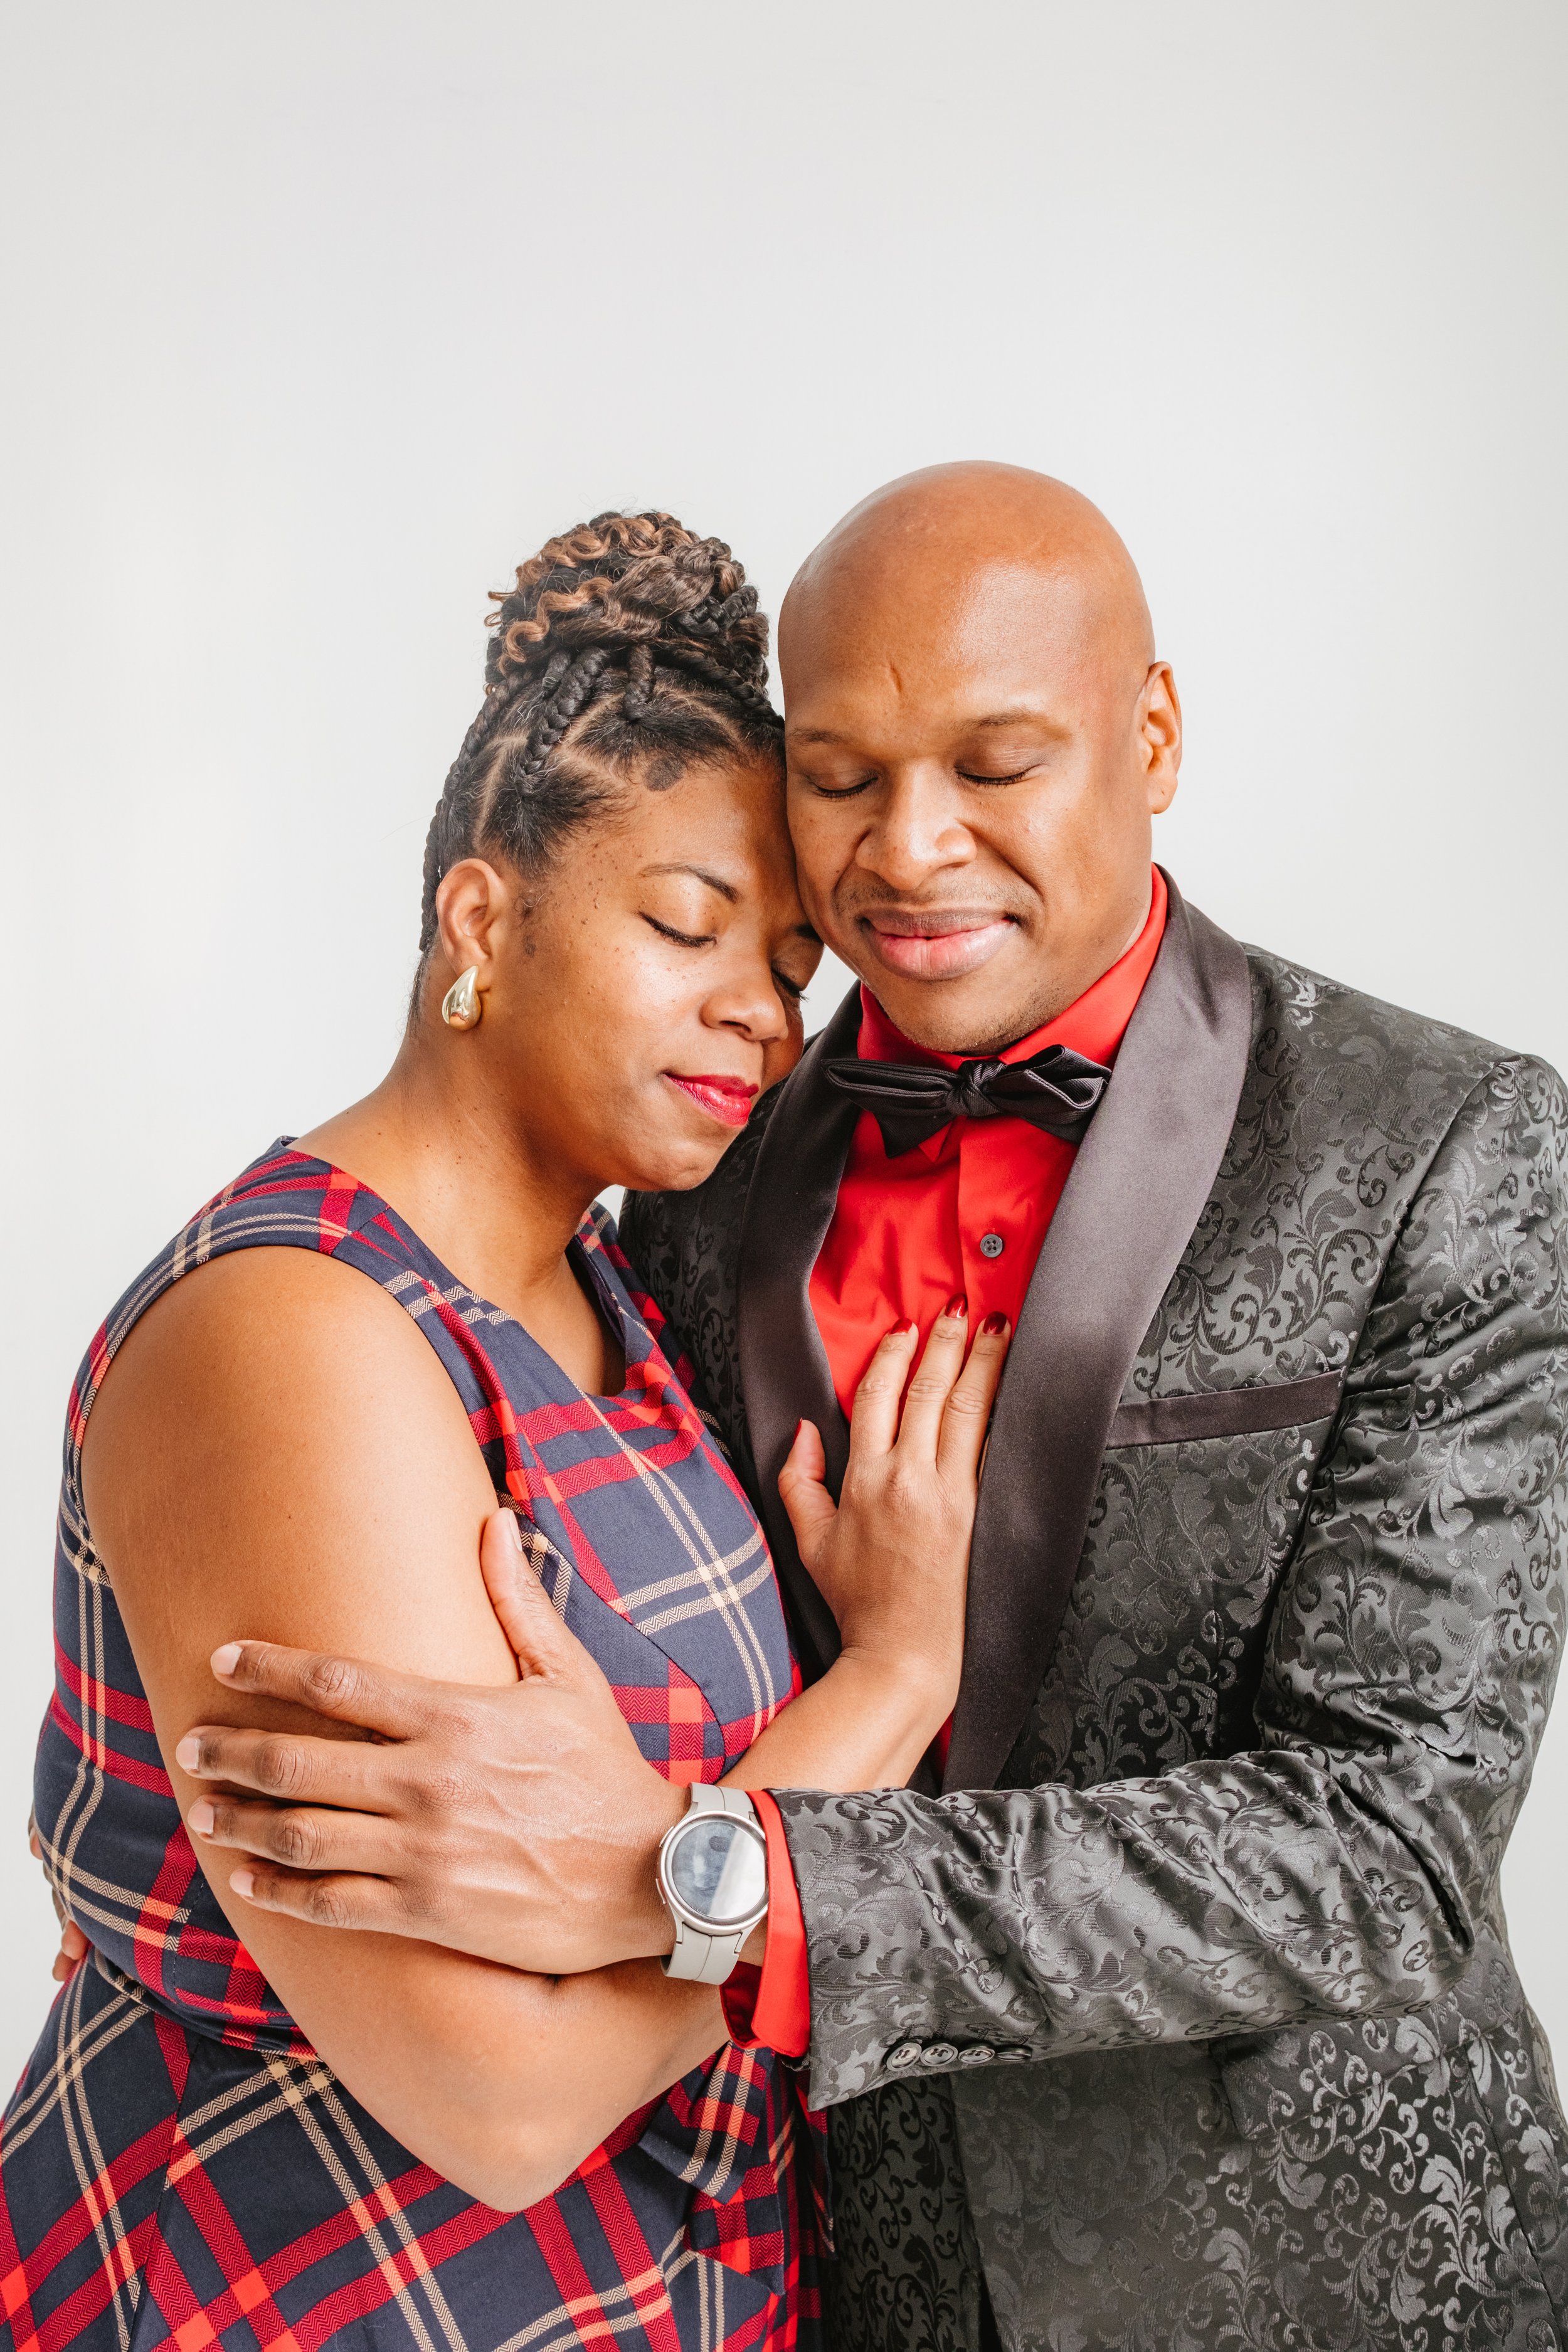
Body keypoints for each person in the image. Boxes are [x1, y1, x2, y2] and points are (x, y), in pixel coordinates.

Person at [86, 466, 1568, 2349]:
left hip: (1300, 2280)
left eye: (995, 764)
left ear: (1153, 732)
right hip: (829, 2277)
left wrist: (707, 1872)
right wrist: (172, 1947)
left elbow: (1386, 1848)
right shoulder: (689, 1161)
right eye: (845, 777)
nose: (912, 851)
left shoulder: (1435, 1141)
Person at [6, 509, 1015, 2352]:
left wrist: (647, 1890)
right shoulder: (286, 1334)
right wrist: (893, 1673)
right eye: (684, 923)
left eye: (785, 961)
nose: (758, 1013)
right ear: (484, 916)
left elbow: (632, 1876)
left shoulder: (605, 1287)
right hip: (316, 2297)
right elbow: (504, 2101)